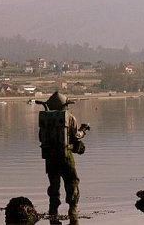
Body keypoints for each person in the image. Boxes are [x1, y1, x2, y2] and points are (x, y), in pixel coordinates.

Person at [38, 92, 88, 222]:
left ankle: (53, 210)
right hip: (66, 157)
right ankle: (73, 209)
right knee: (72, 182)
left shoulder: (45, 119)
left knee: (54, 184)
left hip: (50, 158)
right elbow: (76, 135)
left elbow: (40, 137)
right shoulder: (69, 117)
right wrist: (83, 131)